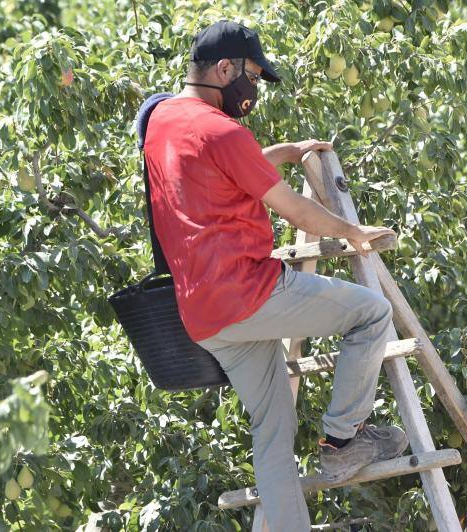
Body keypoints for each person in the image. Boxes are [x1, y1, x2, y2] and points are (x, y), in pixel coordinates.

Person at [143, 21, 407, 531]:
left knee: (272, 434)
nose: (254, 88)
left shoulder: (163, 122)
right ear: (225, 69)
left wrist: (275, 155)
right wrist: (355, 232)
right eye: (253, 75)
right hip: (251, 293)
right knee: (372, 314)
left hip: (203, 315)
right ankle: (343, 441)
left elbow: (208, 171)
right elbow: (300, 214)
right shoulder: (225, 131)